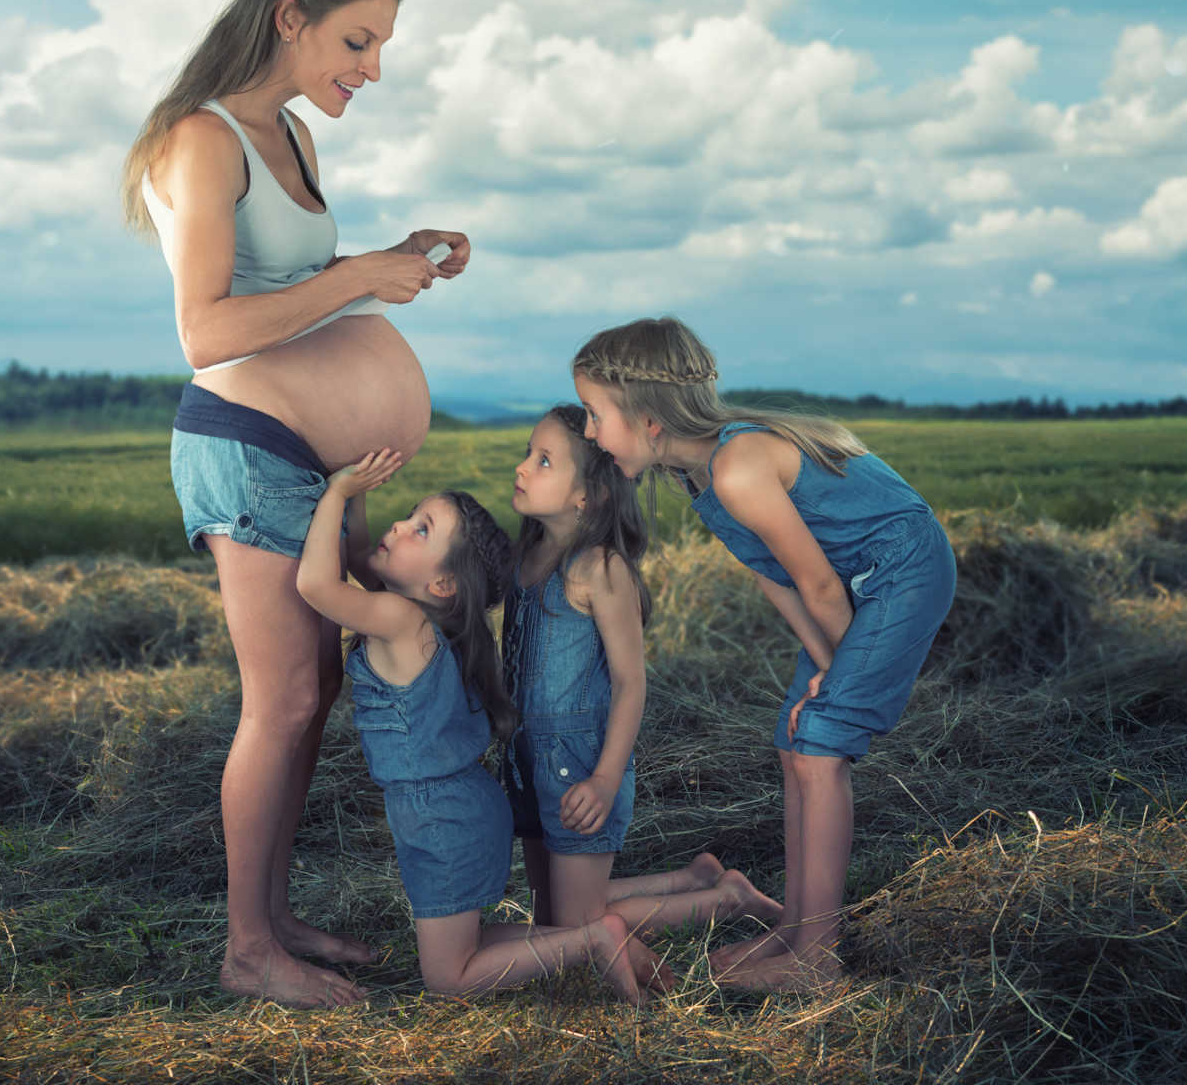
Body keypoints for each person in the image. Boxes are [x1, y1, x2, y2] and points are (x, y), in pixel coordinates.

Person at [122, 0, 464, 1007]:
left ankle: (269, 917)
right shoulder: (203, 138)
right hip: (246, 448)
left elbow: (301, 307)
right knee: (278, 702)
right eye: (357, 44)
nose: (371, 70)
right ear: (290, 17)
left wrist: (394, 263)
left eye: (380, 50)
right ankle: (245, 951)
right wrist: (354, 270)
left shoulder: (297, 141)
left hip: (307, 466)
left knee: (310, 692)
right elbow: (209, 330)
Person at [570, 318, 957, 992]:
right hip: (847, 585)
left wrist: (837, 677)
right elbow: (773, 575)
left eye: (596, 413)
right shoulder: (699, 479)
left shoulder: (739, 468)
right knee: (795, 740)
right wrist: (823, 666)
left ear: (648, 418)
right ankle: (800, 928)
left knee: (820, 743)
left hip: (903, 570)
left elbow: (817, 584)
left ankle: (819, 959)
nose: (588, 431)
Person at [295, 452, 642, 1002]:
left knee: (448, 979)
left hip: (443, 818)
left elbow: (315, 584)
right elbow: (362, 557)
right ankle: (583, 937)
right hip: (455, 808)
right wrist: (359, 487)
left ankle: (596, 937)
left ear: (442, 583)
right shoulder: (425, 615)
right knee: (466, 947)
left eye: (420, 530)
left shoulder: (402, 620)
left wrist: (338, 492)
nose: (400, 527)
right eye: (410, 516)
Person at [503, 407, 782, 971]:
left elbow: (631, 683)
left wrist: (606, 778)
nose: (523, 467)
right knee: (550, 919)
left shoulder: (599, 569)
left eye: (545, 460)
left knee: (576, 933)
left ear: (589, 497)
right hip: (525, 756)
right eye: (530, 453)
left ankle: (721, 899)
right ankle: (693, 877)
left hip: (581, 763)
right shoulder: (526, 559)